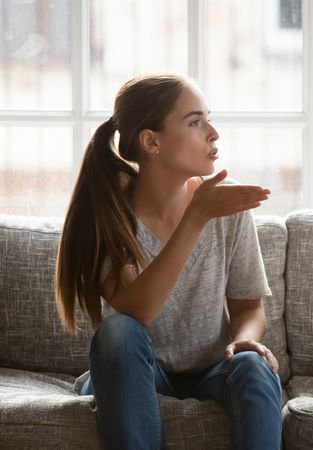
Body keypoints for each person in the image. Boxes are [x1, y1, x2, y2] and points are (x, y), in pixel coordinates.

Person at [55, 73, 282, 450]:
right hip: (138, 371)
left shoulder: (227, 207)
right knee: (118, 332)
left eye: (209, 119)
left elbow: (249, 307)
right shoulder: (109, 215)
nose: (213, 133)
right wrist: (196, 217)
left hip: (213, 371)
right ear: (151, 142)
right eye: (195, 122)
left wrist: (243, 341)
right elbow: (136, 312)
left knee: (254, 366)